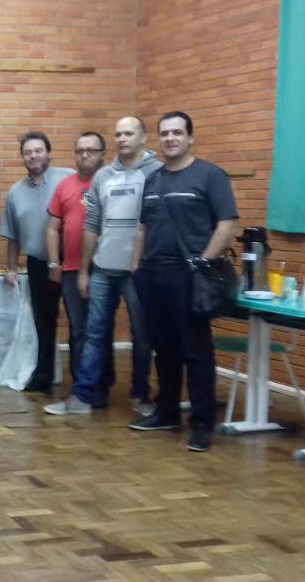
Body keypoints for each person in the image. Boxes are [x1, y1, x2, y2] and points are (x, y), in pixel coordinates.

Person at [130, 111, 238, 452]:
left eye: (177, 132)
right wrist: (136, 268)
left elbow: (227, 225)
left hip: (189, 274)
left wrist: (203, 263)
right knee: (163, 350)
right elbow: (142, 228)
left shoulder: (210, 175)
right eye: (164, 133)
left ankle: (202, 424)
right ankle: (166, 412)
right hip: (152, 275)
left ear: (190, 137)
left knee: (196, 351)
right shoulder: (152, 180)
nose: (170, 138)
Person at [45, 117, 160, 417]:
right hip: (103, 269)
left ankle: (140, 396)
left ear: (143, 137)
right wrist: (84, 271)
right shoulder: (104, 176)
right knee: (93, 333)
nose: (123, 139)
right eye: (119, 134)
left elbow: (157, 223)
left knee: (142, 335)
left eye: (129, 133)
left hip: (138, 272)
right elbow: (92, 225)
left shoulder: (157, 173)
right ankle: (82, 397)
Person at [1, 131, 72, 394]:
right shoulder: (16, 192)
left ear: (48, 153)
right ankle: (43, 376)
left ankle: (82, 380)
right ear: (23, 157)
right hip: (39, 265)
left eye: (38, 150)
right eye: (28, 152)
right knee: (44, 323)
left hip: (71, 262)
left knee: (78, 323)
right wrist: (11, 267)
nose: (33, 156)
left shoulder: (68, 178)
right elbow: (12, 236)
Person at [41, 133, 106, 396]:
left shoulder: (110, 182)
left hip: (105, 270)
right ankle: (81, 387)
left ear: (103, 154)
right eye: (80, 151)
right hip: (70, 270)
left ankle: (100, 387)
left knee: (100, 330)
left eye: (91, 150)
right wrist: (53, 262)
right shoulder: (64, 186)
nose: (84, 155)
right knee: (78, 329)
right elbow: (52, 229)